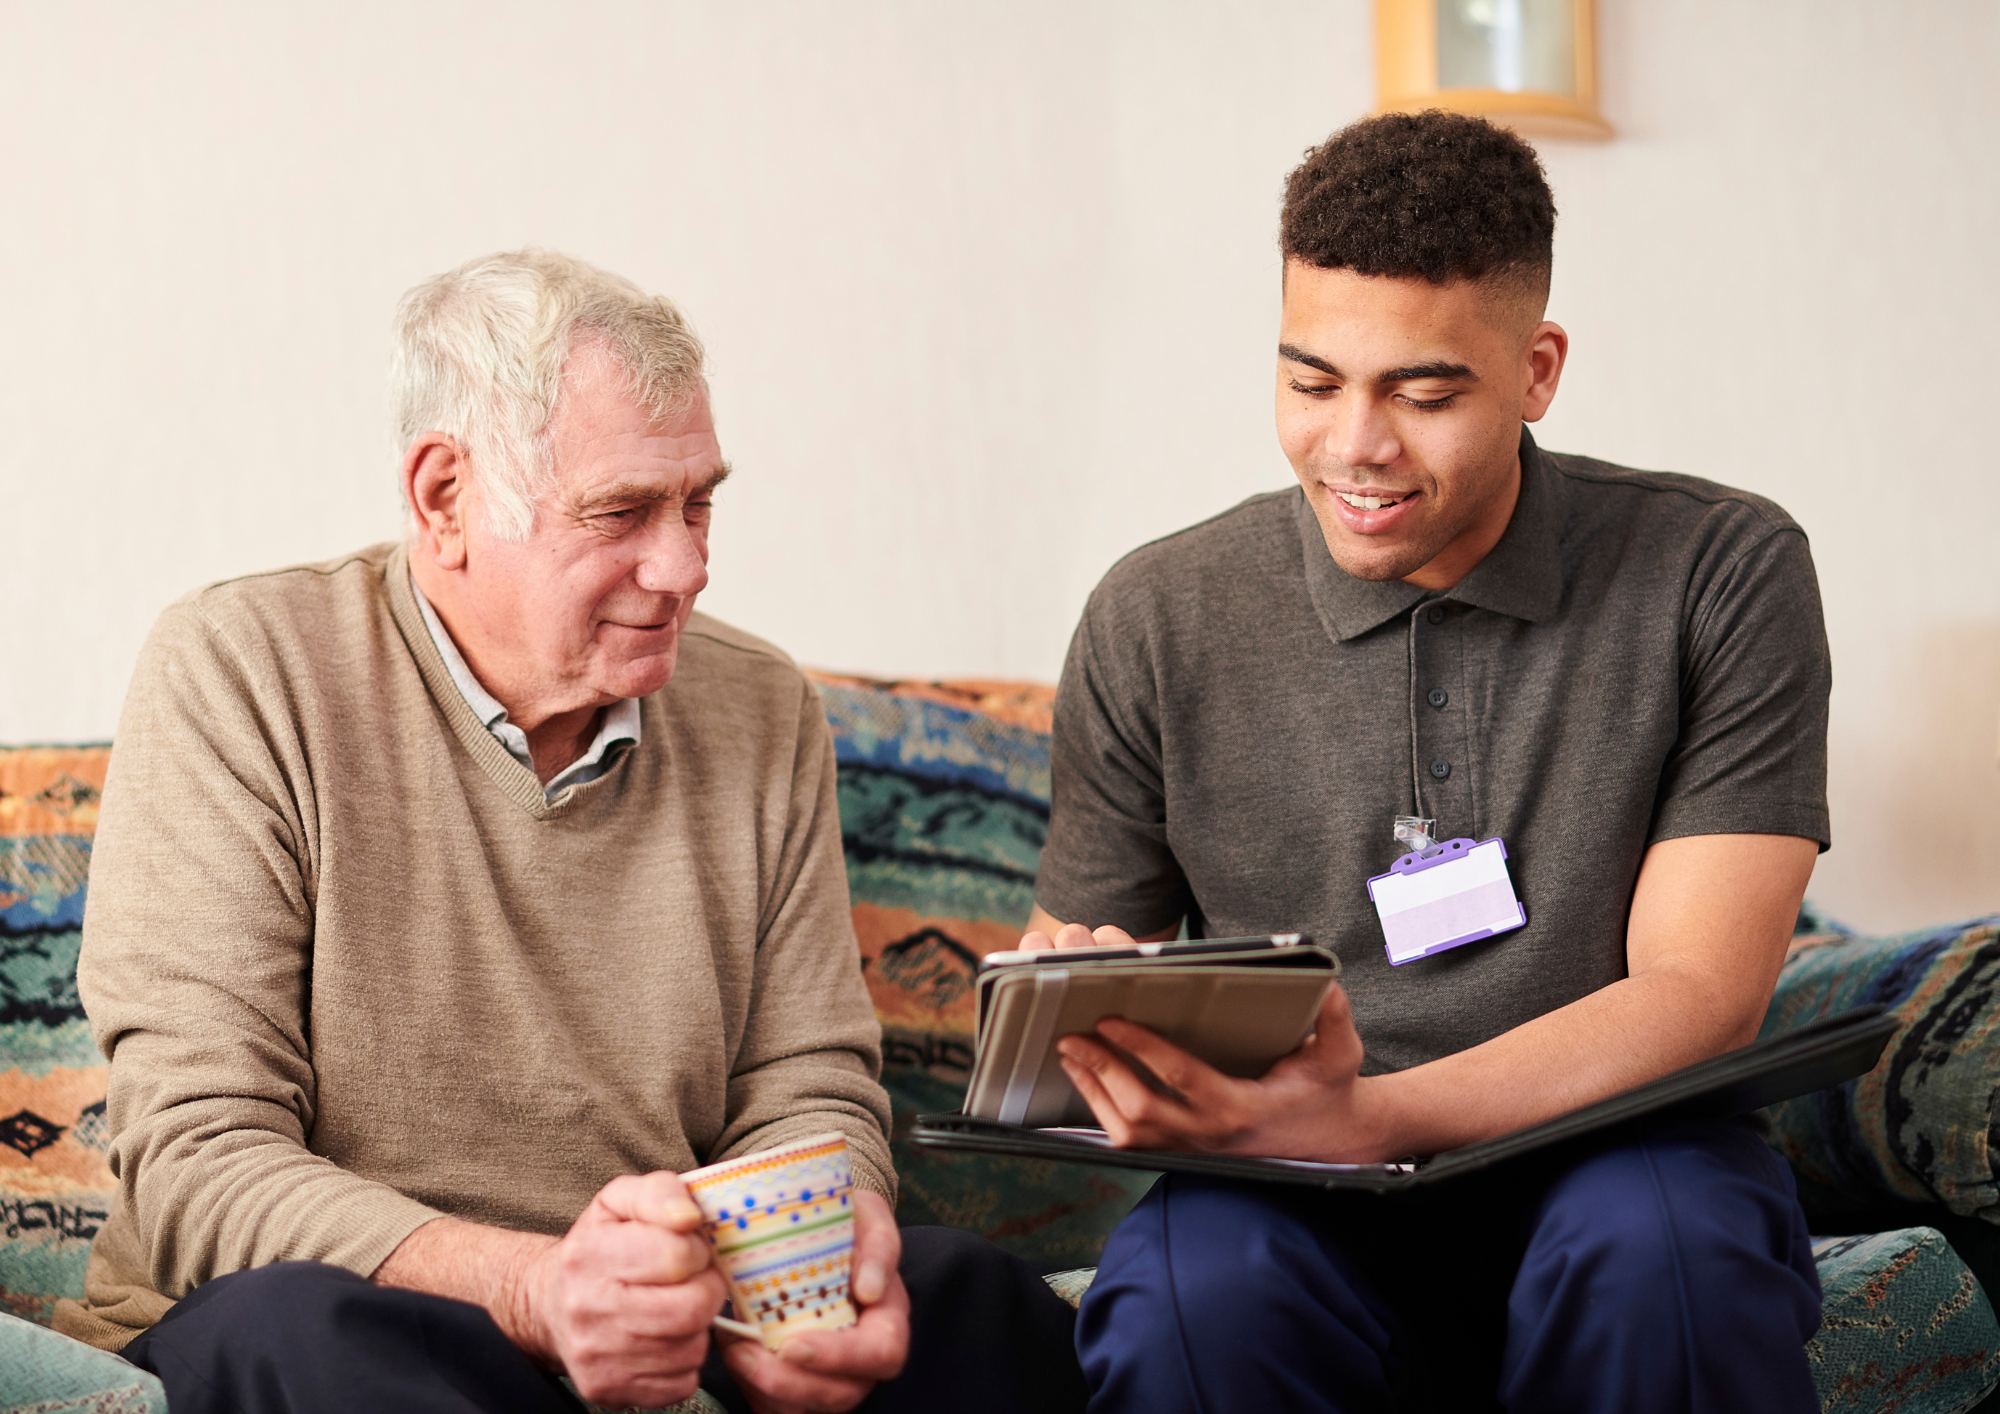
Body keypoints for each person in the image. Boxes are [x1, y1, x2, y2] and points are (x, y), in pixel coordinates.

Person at [61, 249, 1085, 1414]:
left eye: (699, 500)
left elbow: (806, 1084)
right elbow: (202, 1158)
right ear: (444, 498)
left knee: (965, 1295)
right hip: (357, 1306)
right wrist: (536, 1288)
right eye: (624, 512)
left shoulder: (760, 707)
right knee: (306, 1335)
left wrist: (817, 1273)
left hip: (673, 1304)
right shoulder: (241, 671)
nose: (686, 566)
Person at [1021, 112, 1831, 1412]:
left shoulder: (1718, 571)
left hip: (1621, 1155)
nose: (1356, 446)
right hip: (1292, 1185)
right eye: (1311, 380)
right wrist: (1087, 1007)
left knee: (1664, 1251)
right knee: (1190, 1293)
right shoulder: (1156, 613)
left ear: (1538, 368)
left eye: (1425, 391)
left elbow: (1704, 990)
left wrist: (1380, 1117)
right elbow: (1076, 956)